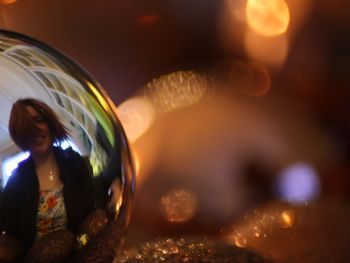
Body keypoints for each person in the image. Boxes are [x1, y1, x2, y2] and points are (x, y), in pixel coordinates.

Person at [0, 98, 95, 249]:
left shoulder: (75, 162)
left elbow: (93, 207)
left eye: (38, 121)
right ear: (21, 135)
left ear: (49, 123)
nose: (35, 130)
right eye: (27, 127)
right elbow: (11, 235)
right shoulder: (16, 182)